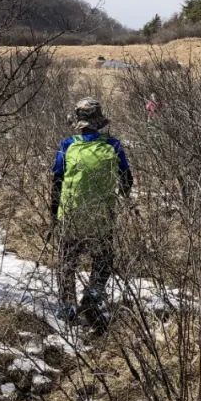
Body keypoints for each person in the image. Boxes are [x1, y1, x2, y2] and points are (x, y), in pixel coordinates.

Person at [50, 97, 132, 328]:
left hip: (71, 216)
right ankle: (92, 297)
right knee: (104, 260)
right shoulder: (113, 145)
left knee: (67, 262)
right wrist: (120, 198)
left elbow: (57, 180)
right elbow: (127, 179)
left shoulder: (67, 145)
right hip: (101, 217)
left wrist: (53, 215)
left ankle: (67, 309)